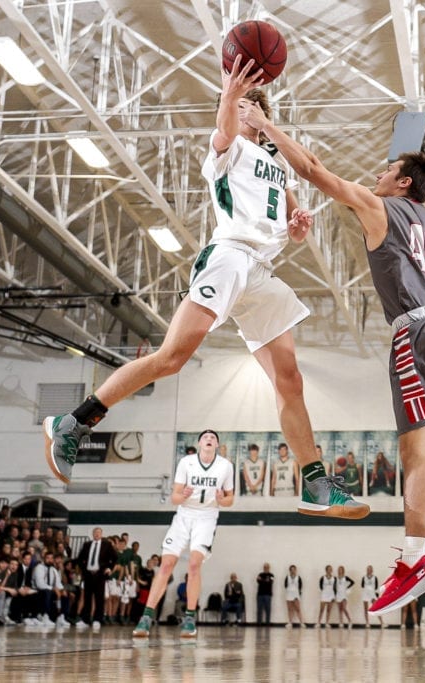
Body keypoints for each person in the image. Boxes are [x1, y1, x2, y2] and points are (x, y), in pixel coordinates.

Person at [42, 56, 366, 521]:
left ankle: (314, 483)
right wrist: (232, 96)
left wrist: (296, 225)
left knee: (289, 379)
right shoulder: (226, 148)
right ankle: (73, 422)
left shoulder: (276, 160)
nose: (246, 113)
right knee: (171, 359)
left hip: (261, 271)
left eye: (255, 106)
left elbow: (292, 221)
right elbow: (224, 125)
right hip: (229, 256)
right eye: (240, 108)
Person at [243, 108, 425, 615]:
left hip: (416, 332)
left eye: (386, 171)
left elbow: (314, 171)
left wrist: (267, 126)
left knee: (414, 452)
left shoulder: (380, 207)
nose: (376, 175)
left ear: (403, 182)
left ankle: (413, 557)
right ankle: (423, 547)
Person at [133, 430, 234, 639]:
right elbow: (175, 498)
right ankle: (146, 616)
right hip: (184, 515)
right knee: (167, 564)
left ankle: (189, 617)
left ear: (217, 445)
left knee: (194, 565)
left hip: (207, 517)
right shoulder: (186, 462)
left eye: (213, 438)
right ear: (199, 443)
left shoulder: (225, 466)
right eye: (205, 437)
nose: (209, 439)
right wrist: (183, 494)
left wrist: (220, 498)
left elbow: (229, 500)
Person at [77, 527, 115, 630]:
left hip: (100, 574)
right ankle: (85, 620)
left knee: (99, 598)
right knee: (87, 597)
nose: (97, 534)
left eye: (99, 533)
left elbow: (114, 558)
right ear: (93, 534)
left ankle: (97, 619)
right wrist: (84, 570)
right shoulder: (87, 545)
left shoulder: (107, 545)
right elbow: (80, 559)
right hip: (88, 574)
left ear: (101, 534)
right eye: (95, 532)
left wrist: (109, 568)